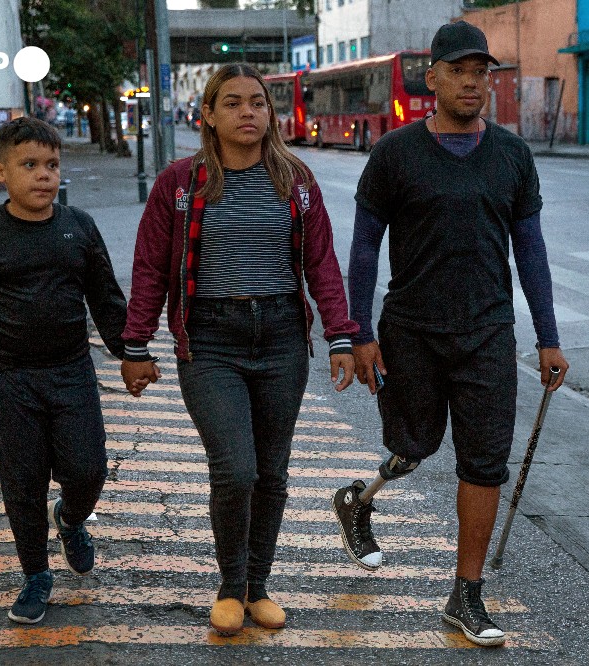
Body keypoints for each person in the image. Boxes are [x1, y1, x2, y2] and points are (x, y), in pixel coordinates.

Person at [331, 21, 569, 647]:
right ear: (431, 78)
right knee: (414, 444)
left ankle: (465, 596)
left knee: (484, 461)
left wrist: (548, 336)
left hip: (488, 331)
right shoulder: (395, 154)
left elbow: (532, 251)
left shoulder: (513, 156)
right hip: (411, 330)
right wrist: (357, 332)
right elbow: (363, 249)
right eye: (459, 71)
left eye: (482, 71)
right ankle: (359, 500)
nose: (472, 82)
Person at [120, 63, 358, 636]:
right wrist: (136, 343)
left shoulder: (295, 179)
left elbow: (321, 261)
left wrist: (340, 335)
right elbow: (151, 264)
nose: (247, 112)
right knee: (236, 469)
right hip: (210, 343)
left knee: (272, 472)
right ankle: (229, 587)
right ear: (207, 114)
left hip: (280, 337)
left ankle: (258, 587)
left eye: (258, 102)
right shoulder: (181, 183)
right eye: (232, 103)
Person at [0, 116, 127, 624]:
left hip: (71, 373)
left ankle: (71, 517)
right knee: (23, 480)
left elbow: (106, 299)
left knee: (88, 469)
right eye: (30, 165)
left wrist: (132, 353)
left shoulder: (77, 225)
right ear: (1, 172)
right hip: (10, 378)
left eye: (52, 165)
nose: (44, 175)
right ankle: (36, 576)